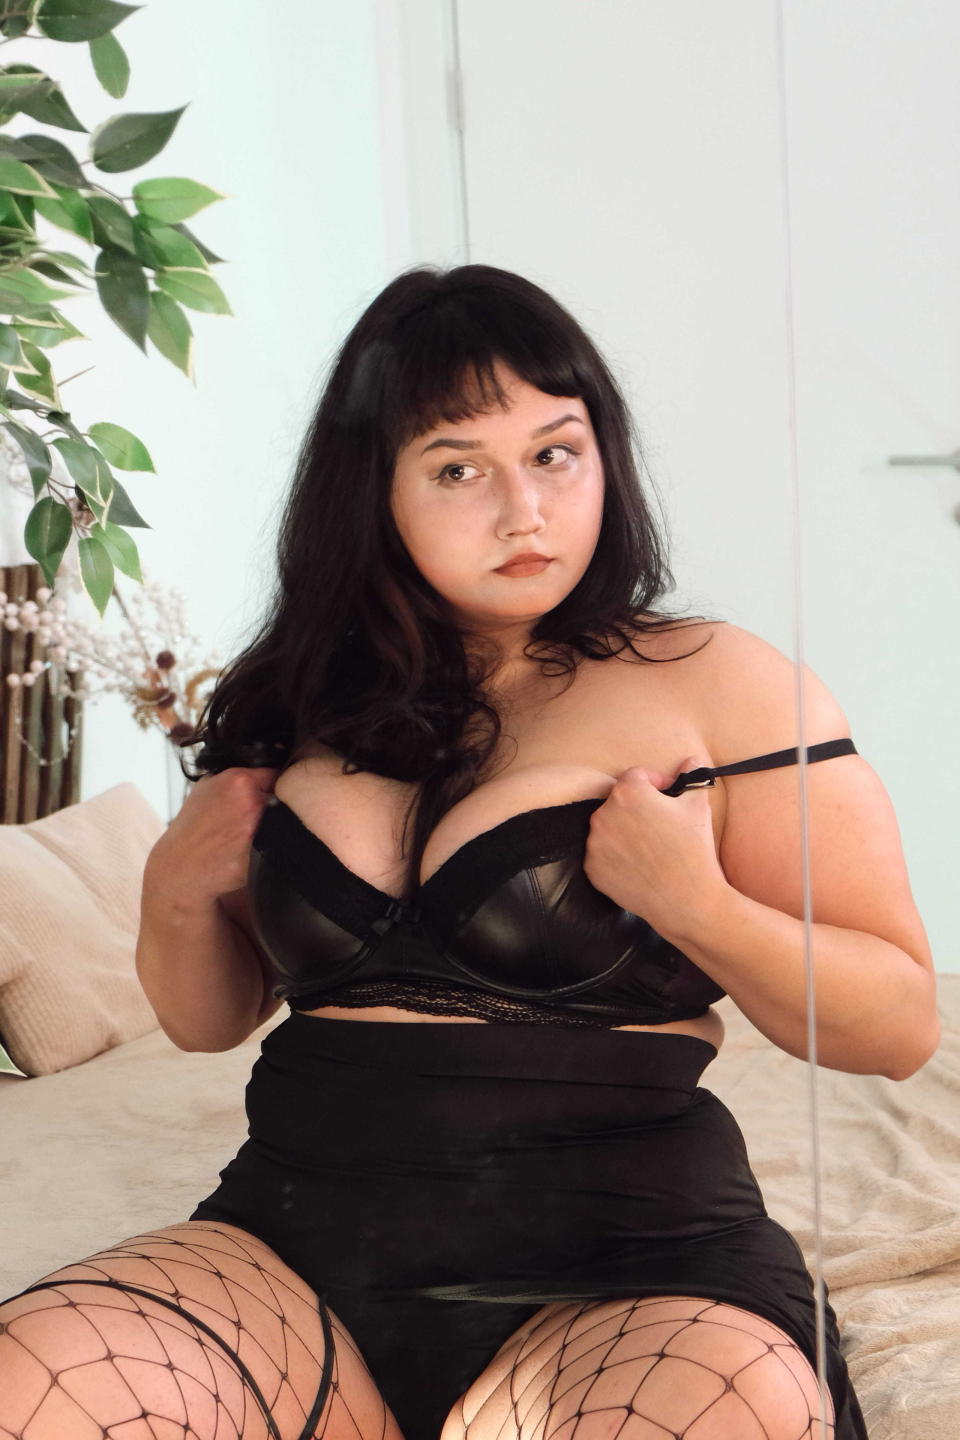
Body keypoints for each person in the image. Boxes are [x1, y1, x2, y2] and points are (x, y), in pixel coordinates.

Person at [0, 264, 938, 1440]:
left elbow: (897, 1027)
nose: (524, 511)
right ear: (374, 490)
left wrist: (698, 904)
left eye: (555, 453)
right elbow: (208, 1021)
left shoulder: (721, 683)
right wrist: (176, 893)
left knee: (728, 1409)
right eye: (458, 469)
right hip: (295, 1247)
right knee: (32, 1379)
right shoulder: (299, 697)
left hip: (631, 1260)